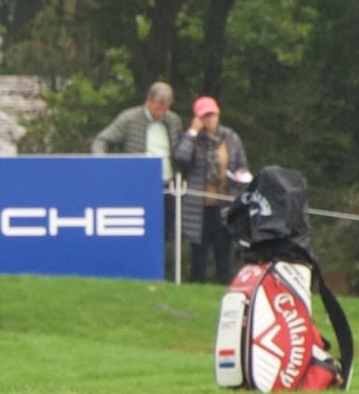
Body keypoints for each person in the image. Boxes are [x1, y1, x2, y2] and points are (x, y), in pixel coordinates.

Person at [92, 82, 184, 276]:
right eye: (159, 107)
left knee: (165, 231)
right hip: (137, 185)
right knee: (140, 229)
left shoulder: (173, 121)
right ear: (149, 101)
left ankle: (162, 273)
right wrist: (103, 166)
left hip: (167, 185)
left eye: (166, 108)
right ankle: (133, 271)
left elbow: (179, 150)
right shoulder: (129, 118)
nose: (162, 112)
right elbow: (101, 140)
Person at [173, 95, 250, 285]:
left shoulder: (230, 137)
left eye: (212, 115)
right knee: (199, 251)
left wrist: (240, 176)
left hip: (225, 203)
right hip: (200, 206)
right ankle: (195, 287)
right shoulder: (193, 140)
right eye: (205, 116)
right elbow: (181, 158)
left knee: (224, 251)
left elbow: (242, 165)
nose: (210, 119)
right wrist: (192, 132)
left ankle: (225, 287)